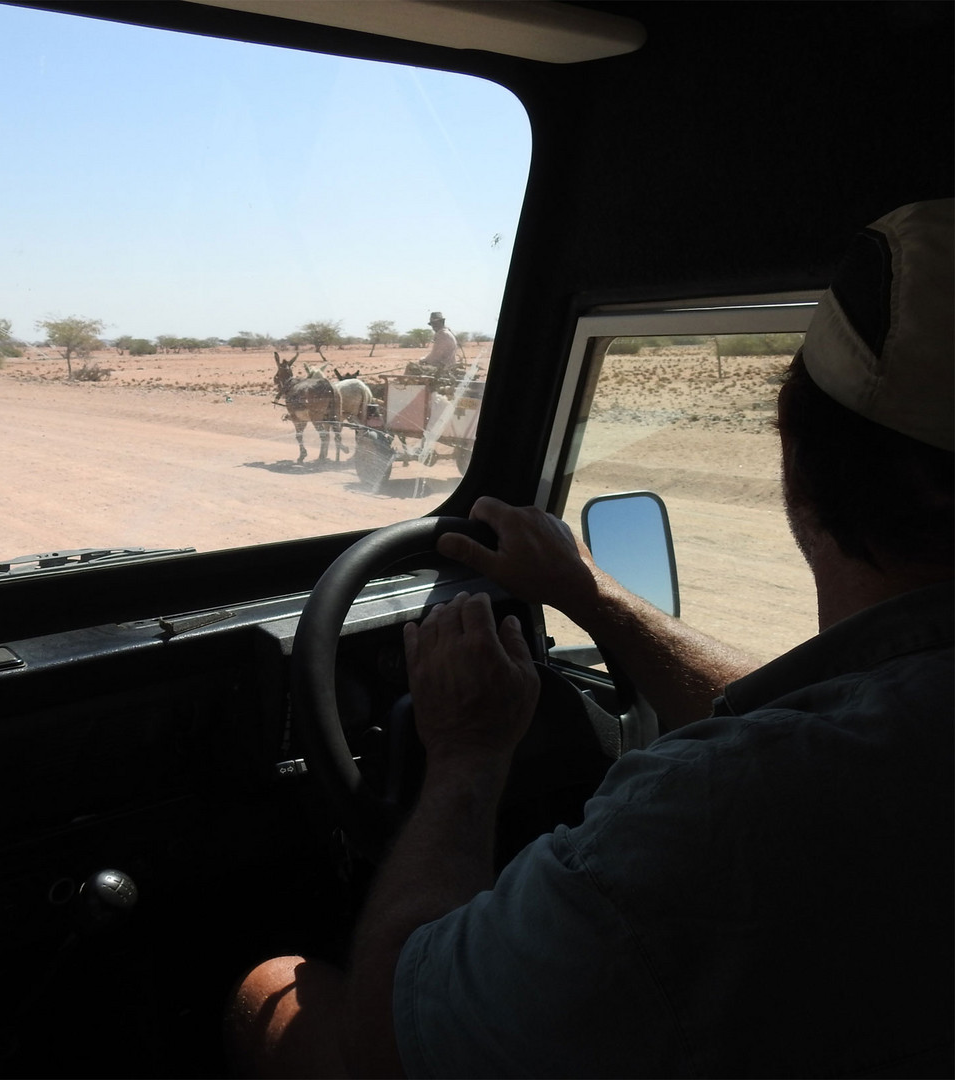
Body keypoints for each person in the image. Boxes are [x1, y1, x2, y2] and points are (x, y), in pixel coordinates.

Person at [225, 199, 954, 1077]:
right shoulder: (888, 720)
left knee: (269, 983)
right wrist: (588, 593)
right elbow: (815, 708)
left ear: (793, 448)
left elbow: (387, 1046)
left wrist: (462, 755)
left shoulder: (710, 822)